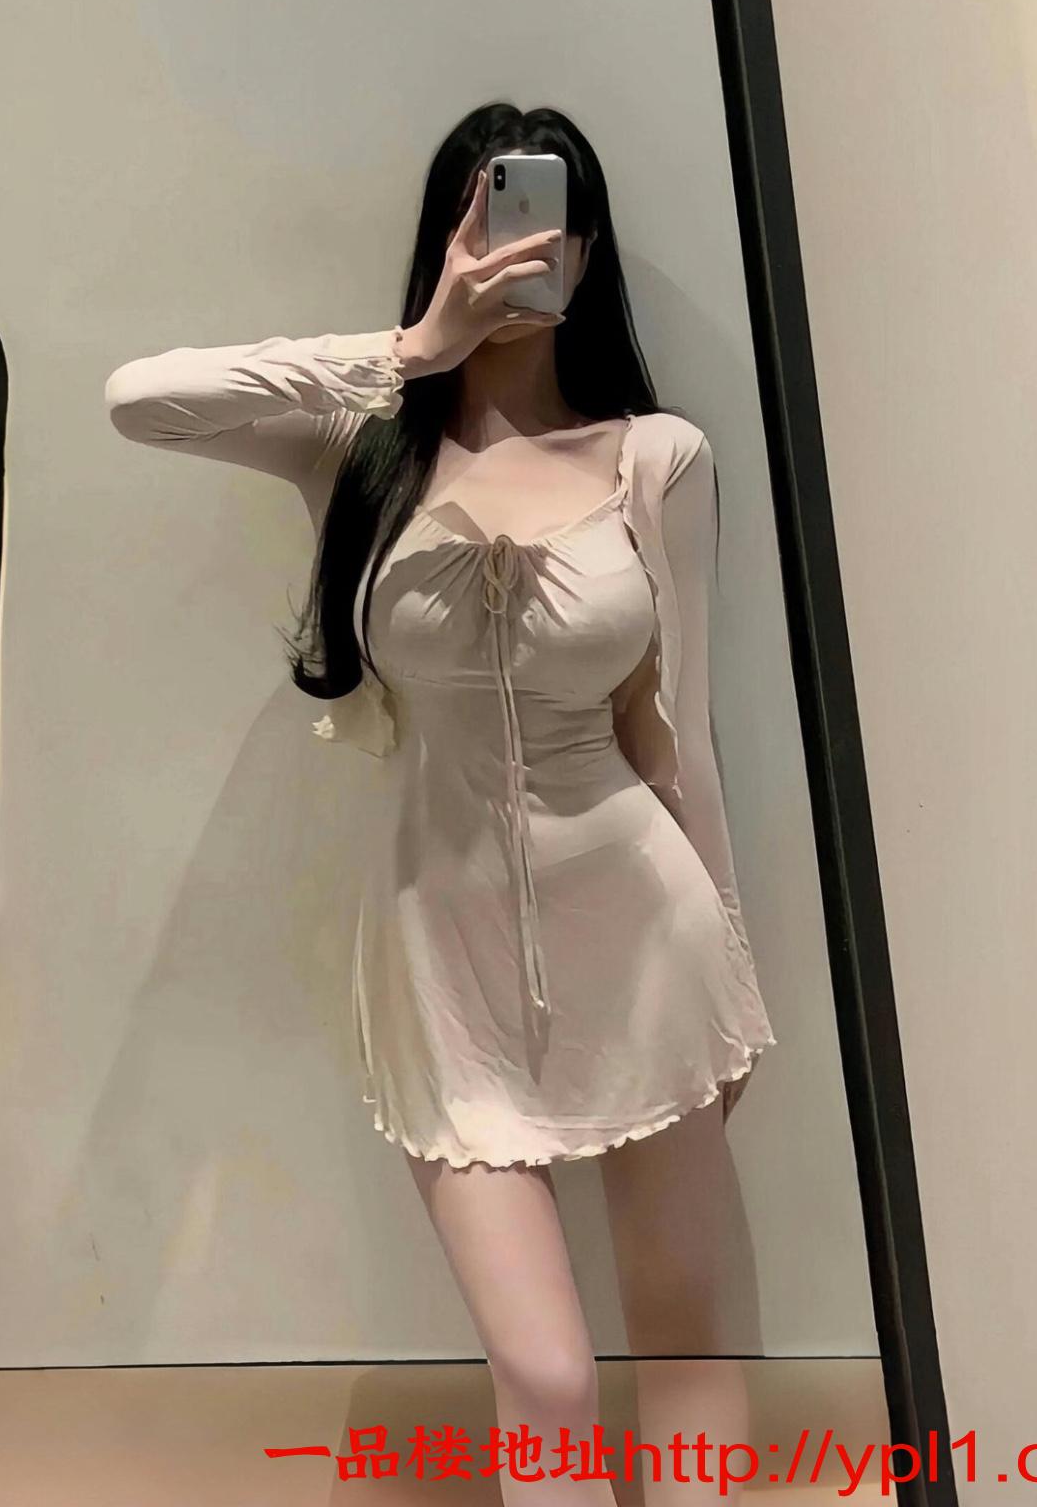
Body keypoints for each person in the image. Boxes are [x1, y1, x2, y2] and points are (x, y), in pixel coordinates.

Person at [105, 102, 776, 1504]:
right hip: (440, 947)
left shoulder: (657, 457)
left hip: (648, 931)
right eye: (490, 218)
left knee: (691, 1336)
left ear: (591, 249)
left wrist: (736, 973)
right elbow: (141, 398)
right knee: (544, 1373)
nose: (524, 250)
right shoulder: (358, 446)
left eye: (552, 222)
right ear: (444, 238)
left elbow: (680, 737)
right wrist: (418, 349)